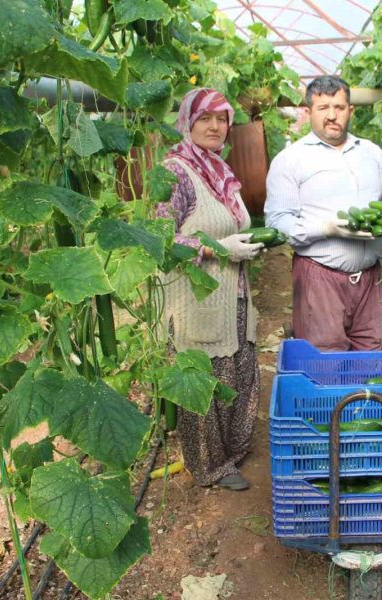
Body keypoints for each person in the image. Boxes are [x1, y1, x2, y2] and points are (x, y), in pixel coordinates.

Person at [156, 88, 264, 491]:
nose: (215, 126)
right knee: (204, 379)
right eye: (206, 118)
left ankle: (232, 454)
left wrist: (243, 247)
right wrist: (215, 247)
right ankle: (209, 466)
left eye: (222, 119)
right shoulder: (175, 172)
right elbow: (160, 241)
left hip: (232, 291)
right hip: (195, 299)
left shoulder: (219, 172)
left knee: (238, 370)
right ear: (187, 121)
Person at [265, 75, 382, 351]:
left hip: (370, 278)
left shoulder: (372, 153)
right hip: (319, 277)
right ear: (308, 113)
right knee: (326, 358)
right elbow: (278, 221)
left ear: (350, 111)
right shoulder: (290, 159)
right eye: (323, 108)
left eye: (339, 108)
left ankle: (363, 397)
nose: (332, 116)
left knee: (369, 351)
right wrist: (327, 227)